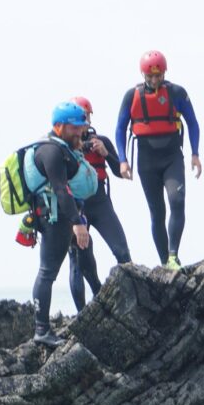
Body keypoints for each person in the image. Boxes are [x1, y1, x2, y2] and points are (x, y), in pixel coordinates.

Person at [114, 50, 202, 271]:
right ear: (143, 74)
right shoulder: (131, 96)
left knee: (177, 201)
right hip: (146, 159)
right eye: (150, 76)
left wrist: (195, 154)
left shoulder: (177, 93)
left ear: (164, 72)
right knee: (157, 212)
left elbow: (193, 123)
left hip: (172, 155)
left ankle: (173, 255)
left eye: (158, 75)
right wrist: (123, 160)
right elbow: (120, 129)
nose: (154, 80)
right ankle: (165, 262)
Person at [27, 101, 98, 346]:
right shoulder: (50, 151)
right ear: (59, 127)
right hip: (55, 219)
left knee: (86, 259)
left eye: (82, 125)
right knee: (47, 272)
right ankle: (42, 330)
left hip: (67, 216)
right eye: (75, 127)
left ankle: (98, 305)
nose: (80, 131)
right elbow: (60, 189)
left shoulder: (64, 146)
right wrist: (77, 223)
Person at [66, 96, 131, 312]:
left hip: (100, 202)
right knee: (79, 262)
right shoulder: (61, 147)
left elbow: (121, 173)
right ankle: (84, 313)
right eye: (79, 119)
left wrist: (106, 154)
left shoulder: (100, 141)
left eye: (86, 118)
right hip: (77, 208)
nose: (84, 123)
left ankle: (134, 300)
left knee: (122, 251)